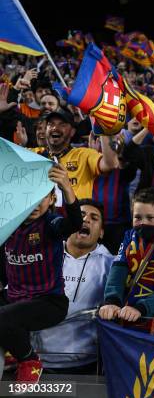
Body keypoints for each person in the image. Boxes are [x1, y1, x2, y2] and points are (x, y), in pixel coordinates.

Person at [0, 164, 81, 384]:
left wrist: (66, 187)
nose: (36, 203)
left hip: (49, 302)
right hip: (15, 297)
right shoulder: (7, 225)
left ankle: (29, 361)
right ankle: (11, 350)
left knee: (3, 317)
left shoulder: (50, 223)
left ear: (52, 199)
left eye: (42, 197)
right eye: (30, 196)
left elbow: (74, 224)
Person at [32, 199, 112, 373]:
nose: (86, 220)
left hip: (86, 365)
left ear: (101, 233)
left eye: (94, 217)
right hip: (35, 362)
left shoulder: (112, 265)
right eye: (81, 215)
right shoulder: (43, 254)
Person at [99, 189, 154, 339]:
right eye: (138, 217)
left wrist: (143, 308)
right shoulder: (129, 236)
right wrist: (112, 301)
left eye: (150, 218)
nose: (143, 223)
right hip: (126, 319)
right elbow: (118, 271)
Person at [38, 110, 119, 203]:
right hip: (43, 216)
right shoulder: (33, 155)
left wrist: (103, 127)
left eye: (62, 124)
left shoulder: (84, 155)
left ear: (72, 131)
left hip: (78, 215)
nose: (55, 128)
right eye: (50, 124)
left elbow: (111, 164)